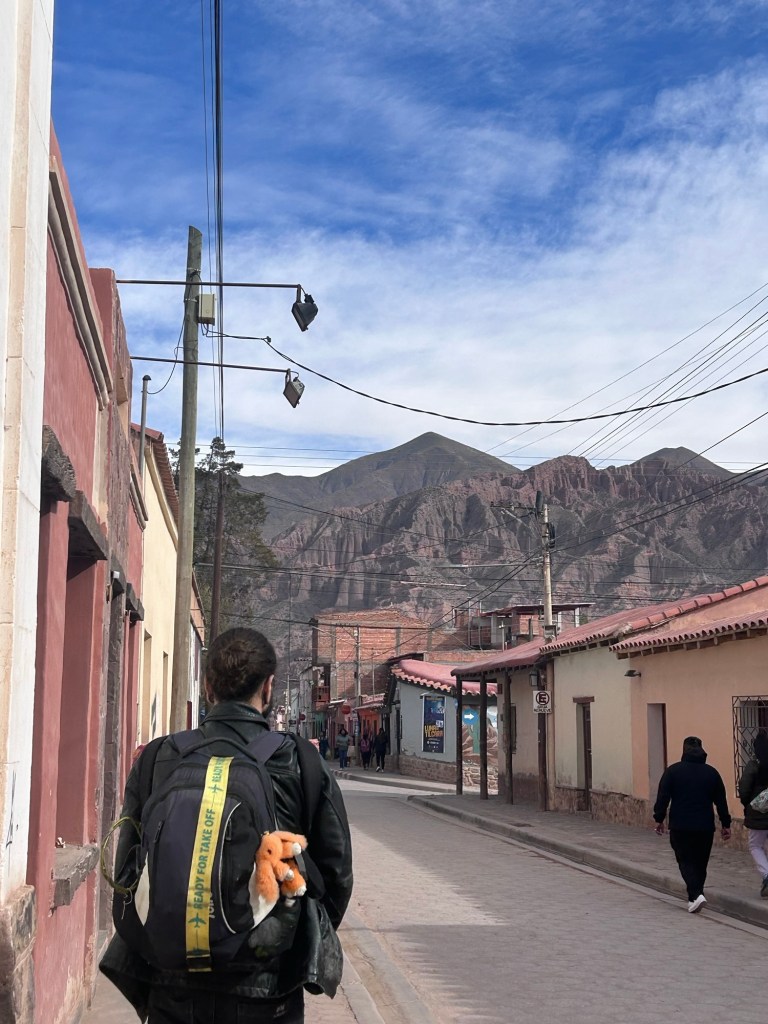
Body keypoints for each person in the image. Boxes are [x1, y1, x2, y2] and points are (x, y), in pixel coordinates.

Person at [101, 627, 353, 1024]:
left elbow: (127, 874)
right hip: (266, 989)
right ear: (268, 688)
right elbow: (336, 876)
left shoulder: (159, 757)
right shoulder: (300, 761)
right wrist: (285, 936)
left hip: (172, 984)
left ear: (207, 687)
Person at [653, 735, 731, 913]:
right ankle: (694, 898)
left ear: (684, 750)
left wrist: (659, 819)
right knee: (700, 863)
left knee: (685, 860)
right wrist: (726, 824)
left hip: (680, 825)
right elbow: (721, 801)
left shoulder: (673, 771)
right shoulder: (712, 773)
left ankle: (696, 894)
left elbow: (663, 797)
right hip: (705, 826)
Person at [738, 730, 768, 897]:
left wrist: (747, 804)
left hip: (758, 813)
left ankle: (767, 875)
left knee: (755, 845)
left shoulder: (754, 765)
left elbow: (744, 788)